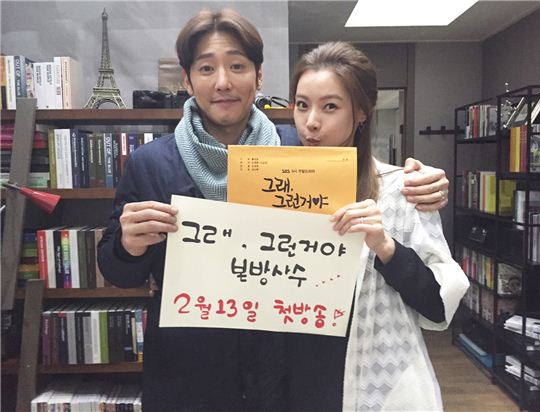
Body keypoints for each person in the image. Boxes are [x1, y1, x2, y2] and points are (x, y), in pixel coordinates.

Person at [97, 9, 452, 411]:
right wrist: (128, 245)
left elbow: (368, 175)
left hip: (287, 368)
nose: (223, 82)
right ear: (188, 79)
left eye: (237, 66)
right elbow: (118, 272)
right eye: (206, 68)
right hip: (191, 369)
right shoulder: (150, 163)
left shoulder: (303, 150)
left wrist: (422, 183)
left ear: (259, 76)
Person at [287, 41, 469, 411]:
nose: (311, 122)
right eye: (302, 105)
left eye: (330, 106)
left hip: (378, 383)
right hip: (293, 380)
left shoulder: (401, 191)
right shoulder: (275, 186)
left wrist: (386, 247)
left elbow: (438, 307)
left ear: (361, 113)